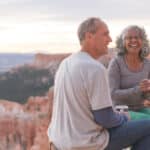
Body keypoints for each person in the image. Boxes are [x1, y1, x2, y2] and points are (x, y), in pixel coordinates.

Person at [47, 17, 150, 150]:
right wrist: (124, 117)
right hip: (86, 143)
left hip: (60, 141)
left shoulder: (66, 63)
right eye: (105, 34)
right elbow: (105, 119)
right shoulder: (94, 68)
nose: (110, 39)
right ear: (89, 36)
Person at [108, 25, 150, 120]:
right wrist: (138, 89)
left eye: (137, 37)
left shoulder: (148, 64)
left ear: (143, 41)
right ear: (123, 42)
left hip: (140, 108)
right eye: (129, 38)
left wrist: (148, 90)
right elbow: (113, 95)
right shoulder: (116, 63)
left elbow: (146, 95)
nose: (133, 40)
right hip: (120, 111)